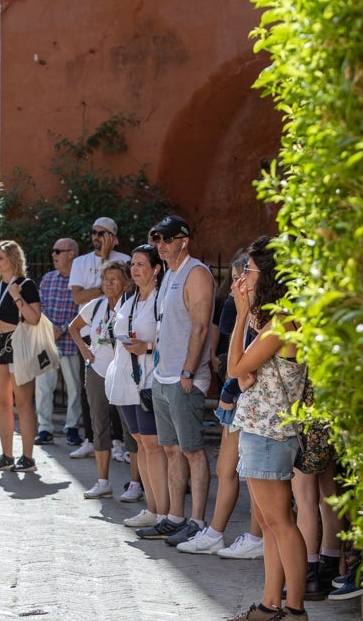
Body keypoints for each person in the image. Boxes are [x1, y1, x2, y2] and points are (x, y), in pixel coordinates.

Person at [225, 236, 310, 621]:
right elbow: (244, 374)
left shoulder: (281, 324)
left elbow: (234, 368)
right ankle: (269, 604)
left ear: (270, 275)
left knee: (281, 523)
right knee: (270, 523)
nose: (244, 276)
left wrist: (240, 313)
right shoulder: (277, 321)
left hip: (270, 434)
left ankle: (295, 609)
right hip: (263, 431)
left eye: (251, 270)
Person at [136, 215, 214, 548]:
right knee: (170, 449)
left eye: (168, 239)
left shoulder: (196, 273)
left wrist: (188, 372)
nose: (162, 245)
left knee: (192, 450)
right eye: (157, 240)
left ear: (185, 240)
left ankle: (197, 522)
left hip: (184, 378)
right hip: (163, 376)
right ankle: (175, 517)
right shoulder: (168, 273)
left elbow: (201, 327)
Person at [181, 253, 265, 558]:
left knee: (253, 475)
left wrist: (230, 389)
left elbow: (242, 369)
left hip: (251, 401)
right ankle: (215, 533)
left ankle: (256, 537)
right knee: (225, 468)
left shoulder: (262, 319)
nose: (232, 285)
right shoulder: (244, 312)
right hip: (237, 399)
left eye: (240, 277)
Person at [107, 245, 168, 526]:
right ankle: (151, 509)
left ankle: (162, 511)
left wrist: (147, 347)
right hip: (125, 380)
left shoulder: (161, 299)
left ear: (156, 269)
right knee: (140, 443)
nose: (134, 269)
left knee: (152, 444)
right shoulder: (128, 298)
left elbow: (173, 338)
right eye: (132, 264)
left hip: (149, 380)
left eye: (141, 264)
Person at [69, 217, 131, 458]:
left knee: (119, 391)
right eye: (94, 232)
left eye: (103, 233)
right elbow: (78, 297)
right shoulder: (80, 262)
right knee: (91, 394)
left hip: (118, 336)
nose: (97, 237)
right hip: (89, 335)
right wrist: (107, 284)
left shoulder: (125, 260)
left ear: (113, 237)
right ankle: (91, 439)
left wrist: (106, 264)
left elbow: (127, 292)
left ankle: (118, 442)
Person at [69, 260, 131, 498]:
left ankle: (136, 483)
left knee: (130, 428)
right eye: (105, 279)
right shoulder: (95, 306)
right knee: (99, 425)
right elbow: (73, 327)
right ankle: (103, 481)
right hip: (97, 370)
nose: (109, 283)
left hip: (124, 372)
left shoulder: (130, 307)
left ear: (126, 283)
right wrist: (84, 349)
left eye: (114, 279)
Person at [0, 240, 43, 474]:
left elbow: (34, 319)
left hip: (17, 343)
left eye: (1, 258)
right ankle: (6, 455)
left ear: (13, 259)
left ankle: (27, 458)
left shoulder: (26, 285)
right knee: (2, 403)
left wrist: (17, 297)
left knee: (23, 403)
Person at [34, 238, 82, 447]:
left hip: (70, 342)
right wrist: (50, 328)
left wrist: (61, 328)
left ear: (71, 254)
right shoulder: (47, 279)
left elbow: (81, 309)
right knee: (43, 387)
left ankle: (72, 427)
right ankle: (44, 428)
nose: (53, 255)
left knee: (75, 387)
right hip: (46, 341)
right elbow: (40, 307)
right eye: (53, 251)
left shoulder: (80, 281)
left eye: (57, 251)